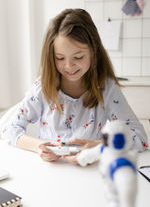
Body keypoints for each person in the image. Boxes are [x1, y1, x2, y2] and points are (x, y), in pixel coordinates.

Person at [1, 8, 148, 164]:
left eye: (78, 57)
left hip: (89, 173)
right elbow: (10, 129)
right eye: (60, 58)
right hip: (49, 173)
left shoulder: (106, 88)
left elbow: (140, 137)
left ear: (93, 51)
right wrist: (38, 147)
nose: (69, 66)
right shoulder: (43, 86)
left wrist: (99, 146)